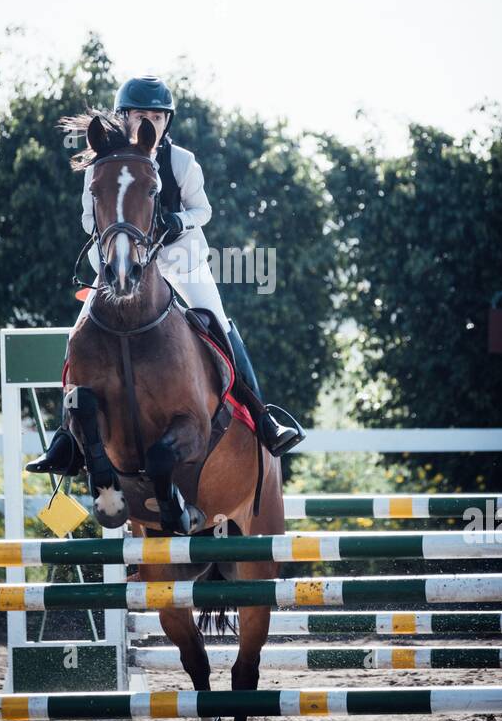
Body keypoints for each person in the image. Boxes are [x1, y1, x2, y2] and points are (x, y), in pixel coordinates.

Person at [27, 75, 303, 474]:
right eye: (142, 115)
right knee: (81, 336)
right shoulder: (99, 165)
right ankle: (66, 438)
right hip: (121, 261)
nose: (150, 123)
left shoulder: (181, 162)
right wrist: (119, 244)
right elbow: (90, 221)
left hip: (181, 260)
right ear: (125, 118)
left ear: (167, 121)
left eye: (157, 116)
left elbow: (203, 211)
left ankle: (263, 418)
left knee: (220, 326)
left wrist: (177, 220)